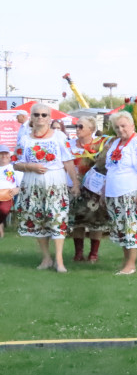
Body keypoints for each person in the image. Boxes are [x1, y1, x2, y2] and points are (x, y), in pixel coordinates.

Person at [13, 104, 79, 272]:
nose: (40, 117)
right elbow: (16, 163)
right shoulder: (25, 139)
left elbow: (68, 161)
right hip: (32, 184)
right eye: (36, 114)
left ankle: (59, 260)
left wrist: (75, 183)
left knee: (57, 218)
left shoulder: (59, 137)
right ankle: (46, 258)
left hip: (55, 183)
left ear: (50, 118)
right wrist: (30, 166)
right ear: (32, 118)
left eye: (44, 114)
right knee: (37, 220)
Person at [103, 111, 137, 276]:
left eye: (123, 125)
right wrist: (104, 190)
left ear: (132, 125)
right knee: (122, 230)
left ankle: (131, 264)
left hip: (131, 192)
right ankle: (127, 261)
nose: (120, 129)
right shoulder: (115, 143)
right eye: (117, 127)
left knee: (132, 229)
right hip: (115, 193)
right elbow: (109, 168)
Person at [67, 116, 110, 263]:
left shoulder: (101, 144)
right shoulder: (69, 144)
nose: (77, 129)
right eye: (76, 126)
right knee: (77, 221)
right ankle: (78, 253)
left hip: (94, 189)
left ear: (91, 129)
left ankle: (93, 253)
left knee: (95, 222)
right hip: (74, 186)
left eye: (81, 127)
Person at [0, 145, 22, 237]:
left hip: (7, 195)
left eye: (6, 153)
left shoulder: (14, 168)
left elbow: (23, 184)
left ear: (9, 155)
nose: (4, 156)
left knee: (3, 210)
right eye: (1, 154)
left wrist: (18, 189)